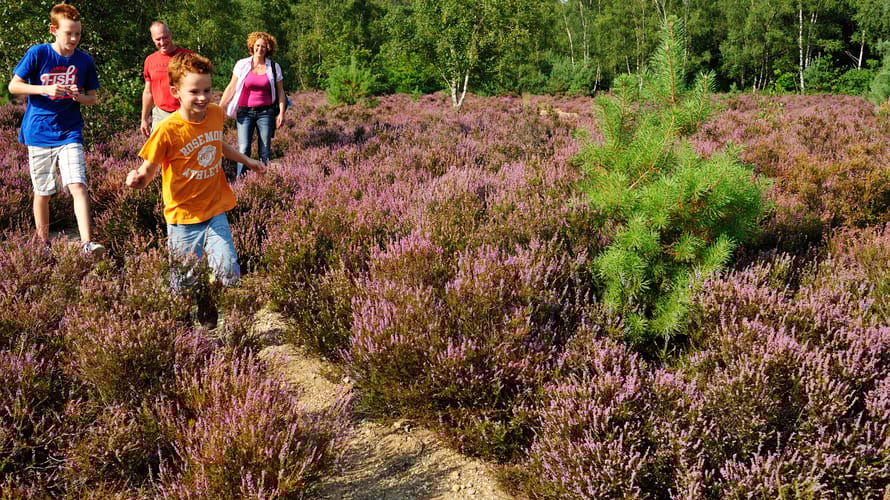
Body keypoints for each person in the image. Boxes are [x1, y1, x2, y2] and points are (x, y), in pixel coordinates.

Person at [126, 52, 265, 328]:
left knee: (228, 270)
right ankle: (183, 325)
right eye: (194, 92)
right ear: (176, 92)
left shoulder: (214, 114)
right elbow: (149, 168)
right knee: (184, 281)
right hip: (182, 216)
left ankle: (209, 303)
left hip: (215, 209)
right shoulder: (167, 130)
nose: (203, 97)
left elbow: (217, 144)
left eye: (207, 90)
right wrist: (139, 178)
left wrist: (246, 159)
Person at [8, 3, 104, 256]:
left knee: (78, 185)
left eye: (78, 34)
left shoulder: (84, 60)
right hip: (39, 131)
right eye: (68, 33)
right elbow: (14, 86)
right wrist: (44, 89)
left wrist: (78, 97)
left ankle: (86, 244)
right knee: (44, 192)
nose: (74, 39)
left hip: (70, 131)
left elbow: (92, 98)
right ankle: (43, 245)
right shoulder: (38, 54)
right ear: (54, 30)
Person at [219, 31, 286, 179]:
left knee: (265, 150)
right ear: (252, 46)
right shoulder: (242, 64)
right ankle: (241, 182)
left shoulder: (274, 67)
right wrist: (221, 107)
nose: (260, 49)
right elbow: (231, 87)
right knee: (243, 149)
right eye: (257, 45)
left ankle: (263, 181)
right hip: (244, 113)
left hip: (266, 113)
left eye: (263, 46)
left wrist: (281, 113)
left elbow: (281, 92)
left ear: (268, 48)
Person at [140, 21, 192, 137]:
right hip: (161, 114)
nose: (162, 42)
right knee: (157, 153)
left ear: (171, 35)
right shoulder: (150, 60)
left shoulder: (188, 57)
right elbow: (148, 92)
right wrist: (144, 119)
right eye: (158, 39)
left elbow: (202, 86)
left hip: (186, 113)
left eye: (165, 37)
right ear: (153, 39)